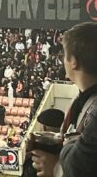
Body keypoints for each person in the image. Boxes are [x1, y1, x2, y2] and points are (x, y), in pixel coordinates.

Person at [31, 22, 97, 177]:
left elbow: (79, 166)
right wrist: (53, 144)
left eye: (64, 55)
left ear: (73, 61)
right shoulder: (82, 100)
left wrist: (56, 168)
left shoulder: (94, 111)